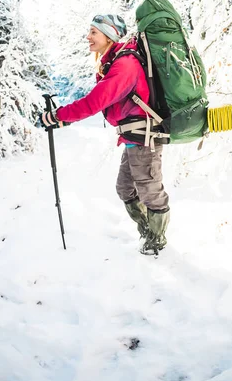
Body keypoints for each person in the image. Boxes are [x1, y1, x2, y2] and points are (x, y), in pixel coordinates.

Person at [41, 14, 170, 255]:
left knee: (149, 191)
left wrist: (59, 116)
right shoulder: (116, 62)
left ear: (109, 34)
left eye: (93, 32)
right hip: (133, 137)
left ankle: (156, 244)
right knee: (125, 188)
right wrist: (64, 120)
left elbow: (95, 101)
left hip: (145, 137)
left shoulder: (126, 64)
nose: (88, 37)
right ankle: (147, 232)